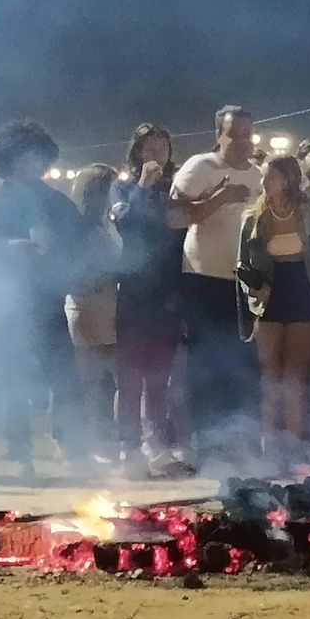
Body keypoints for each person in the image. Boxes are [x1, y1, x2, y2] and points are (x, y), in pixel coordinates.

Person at [0, 121, 88, 474]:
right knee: (14, 376)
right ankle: (20, 451)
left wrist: (61, 255)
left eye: (41, 157)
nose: (36, 164)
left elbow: (80, 244)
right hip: (7, 301)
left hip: (48, 297)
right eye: (29, 156)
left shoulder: (55, 200)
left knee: (63, 375)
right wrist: (10, 249)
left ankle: (72, 447)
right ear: (11, 157)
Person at [170, 105, 261, 468]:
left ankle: (232, 443)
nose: (241, 142)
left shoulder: (258, 175)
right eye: (233, 134)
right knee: (204, 366)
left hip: (242, 285)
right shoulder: (201, 167)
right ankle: (203, 445)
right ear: (218, 136)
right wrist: (218, 199)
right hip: (202, 280)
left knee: (239, 366)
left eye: (246, 134)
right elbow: (173, 216)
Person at [236, 156, 310, 464]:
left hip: (303, 290)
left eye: (270, 177)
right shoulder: (254, 217)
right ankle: (269, 446)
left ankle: (293, 447)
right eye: (264, 178)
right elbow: (242, 265)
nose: (264, 183)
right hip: (269, 295)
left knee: (295, 374)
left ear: (288, 180)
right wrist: (252, 289)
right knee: (270, 374)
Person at [111, 123, 185, 476]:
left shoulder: (175, 189)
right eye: (149, 148)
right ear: (137, 152)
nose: (157, 154)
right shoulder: (122, 187)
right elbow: (124, 223)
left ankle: (155, 443)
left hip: (168, 294)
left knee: (159, 378)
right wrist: (142, 185)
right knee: (129, 377)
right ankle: (128, 448)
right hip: (135, 293)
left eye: (163, 147)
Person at [66, 164, 123, 465]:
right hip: (89, 304)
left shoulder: (108, 222)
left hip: (110, 303)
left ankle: (109, 441)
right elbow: (80, 271)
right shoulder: (80, 228)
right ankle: (83, 445)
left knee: (115, 379)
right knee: (87, 381)